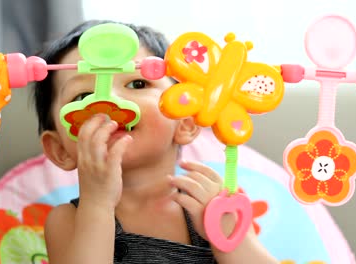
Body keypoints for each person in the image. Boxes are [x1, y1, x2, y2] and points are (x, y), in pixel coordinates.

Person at [33, 19, 278, 263]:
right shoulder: (68, 220)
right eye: (84, 95)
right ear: (59, 150)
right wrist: (97, 205)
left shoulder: (211, 204)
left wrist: (227, 234)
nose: (110, 100)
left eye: (137, 83)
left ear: (185, 122)